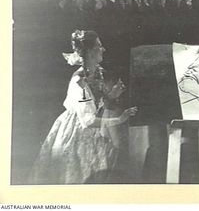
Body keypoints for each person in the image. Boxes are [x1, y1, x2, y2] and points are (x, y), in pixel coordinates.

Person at [28, 30, 137, 184]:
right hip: (79, 132)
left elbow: (95, 103)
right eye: (99, 46)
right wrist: (120, 118)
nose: (103, 49)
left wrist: (111, 95)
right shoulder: (79, 82)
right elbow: (88, 121)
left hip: (97, 129)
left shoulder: (99, 72)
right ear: (90, 52)